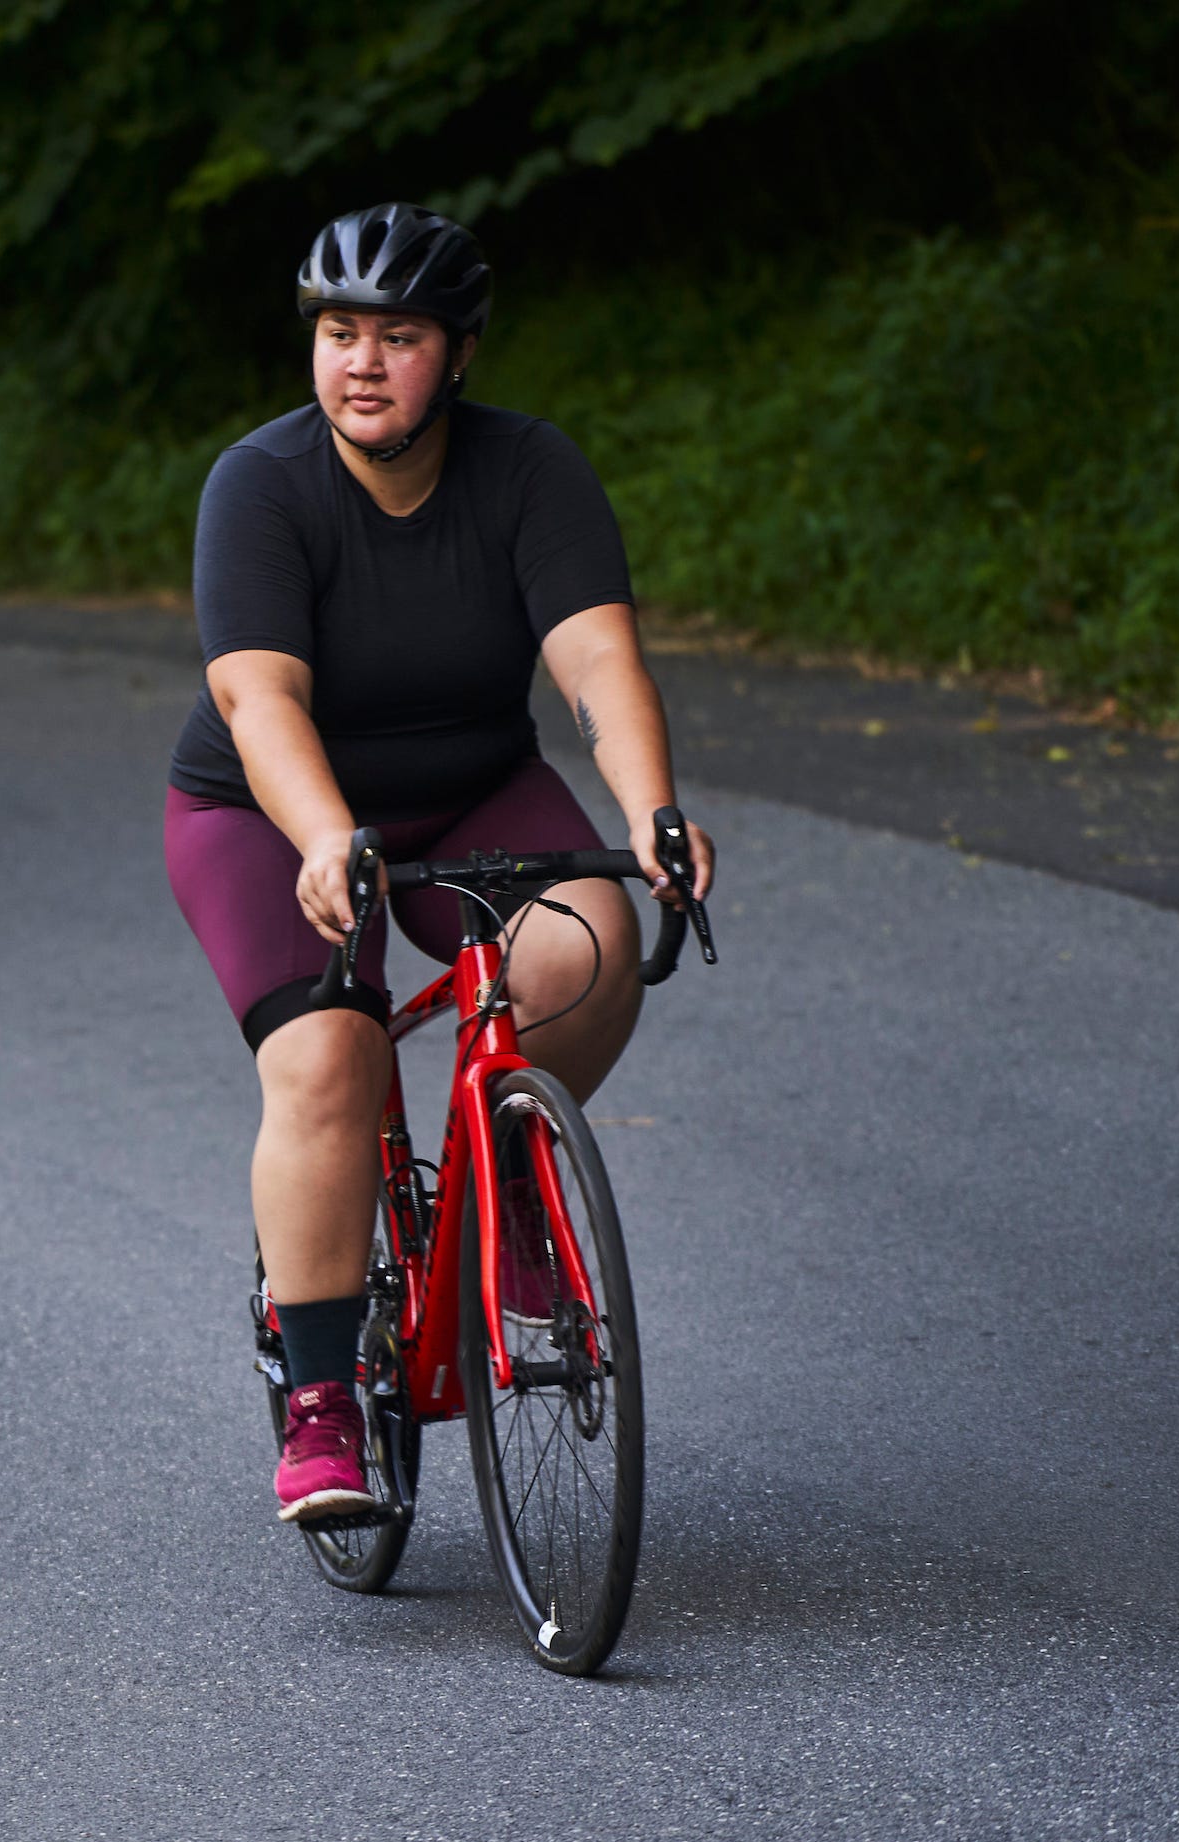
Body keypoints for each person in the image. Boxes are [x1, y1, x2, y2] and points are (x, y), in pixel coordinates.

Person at [164, 202, 716, 1524]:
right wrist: (320, 834)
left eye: (396, 336)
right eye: (339, 332)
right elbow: (259, 700)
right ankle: (319, 1404)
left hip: (469, 788)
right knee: (328, 1061)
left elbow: (594, 660)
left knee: (586, 952)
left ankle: (511, 1190)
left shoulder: (530, 473)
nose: (360, 360)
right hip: (269, 809)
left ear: (459, 353)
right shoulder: (261, 482)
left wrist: (651, 811)